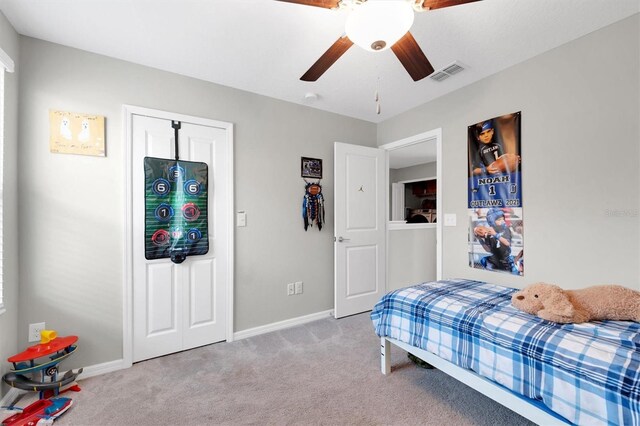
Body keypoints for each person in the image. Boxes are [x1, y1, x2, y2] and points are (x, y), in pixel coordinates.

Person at [475, 208, 518, 274]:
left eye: (503, 219)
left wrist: (495, 234)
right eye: (499, 219)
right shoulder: (489, 233)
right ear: (492, 221)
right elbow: (488, 250)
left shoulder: (505, 230)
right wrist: (480, 240)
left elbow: (507, 243)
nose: (502, 221)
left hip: (506, 260)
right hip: (495, 259)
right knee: (486, 263)